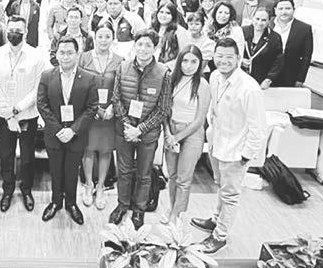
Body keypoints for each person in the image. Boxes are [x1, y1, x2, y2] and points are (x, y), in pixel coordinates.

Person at [191, 38, 266, 253]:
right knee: (221, 186)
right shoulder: (215, 76)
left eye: (229, 57)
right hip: (217, 143)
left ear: (238, 58)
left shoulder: (249, 88)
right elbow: (212, 107)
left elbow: (259, 128)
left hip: (236, 151)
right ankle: (216, 219)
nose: (223, 61)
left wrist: (246, 155)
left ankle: (220, 236)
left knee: (230, 195)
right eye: (220, 56)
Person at [110, 30, 172, 229]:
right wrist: (128, 125)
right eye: (140, 44)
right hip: (124, 131)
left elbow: (163, 109)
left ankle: (139, 209)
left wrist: (140, 129)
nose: (143, 49)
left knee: (144, 174)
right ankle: (122, 205)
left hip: (148, 134)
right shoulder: (123, 67)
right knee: (124, 171)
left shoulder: (164, 73)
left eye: (148, 45)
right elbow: (116, 99)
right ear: (134, 46)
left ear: (155, 48)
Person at [0, 16, 49, 213]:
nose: (14, 33)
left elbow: (38, 88)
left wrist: (18, 109)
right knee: (6, 155)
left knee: (27, 157)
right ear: (6, 31)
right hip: (4, 116)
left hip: (27, 115)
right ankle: (7, 190)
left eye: (18, 30)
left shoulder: (36, 56)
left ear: (26, 32)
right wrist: (8, 113)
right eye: (11, 30)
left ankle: (26, 189)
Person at [37, 36, 99, 225]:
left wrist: (72, 130)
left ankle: (71, 203)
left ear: (77, 54)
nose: (65, 56)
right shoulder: (47, 76)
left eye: (69, 52)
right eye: (62, 52)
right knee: (56, 171)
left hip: (76, 136)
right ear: (56, 54)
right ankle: (56, 202)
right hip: (54, 135)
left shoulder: (89, 78)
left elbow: (92, 107)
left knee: (72, 172)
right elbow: (42, 104)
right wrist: (58, 130)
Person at [162, 46, 211, 225]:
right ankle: (173, 207)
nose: (188, 66)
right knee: (172, 175)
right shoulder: (171, 80)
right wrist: (168, 132)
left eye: (193, 61)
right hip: (172, 129)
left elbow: (199, 120)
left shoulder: (202, 84)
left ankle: (177, 214)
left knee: (184, 178)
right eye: (185, 61)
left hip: (192, 132)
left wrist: (177, 137)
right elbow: (164, 110)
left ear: (200, 63)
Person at [78, 23, 123, 210]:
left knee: (106, 150)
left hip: (109, 115)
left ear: (113, 38)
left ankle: (101, 186)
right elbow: (79, 86)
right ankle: (88, 185)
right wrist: (93, 109)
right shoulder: (84, 58)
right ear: (94, 38)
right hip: (90, 113)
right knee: (87, 150)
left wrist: (113, 106)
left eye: (107, 36)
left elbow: (121, 88)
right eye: (100, 36)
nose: (103, 40)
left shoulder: (120, 61)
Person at [272, 0, 314, 88]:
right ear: (275, 11)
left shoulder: (304, 29)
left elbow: (306, 57)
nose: (284, 12)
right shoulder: (267, 24)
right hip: (266, 73)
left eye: (288, 8)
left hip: (290, 76)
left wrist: (300, 79)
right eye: (280, 9)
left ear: (294, 10)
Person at [241, 7, 284, 89]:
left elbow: (278, 62)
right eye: (257, 19)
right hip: (240, 77)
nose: (259, 23)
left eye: (263, 20)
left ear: (269, 21)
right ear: (252, 18)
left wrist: (269, 79)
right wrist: (240, 60)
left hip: (260, 80)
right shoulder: (242, 31)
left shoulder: (274, 37)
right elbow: (232, 51)